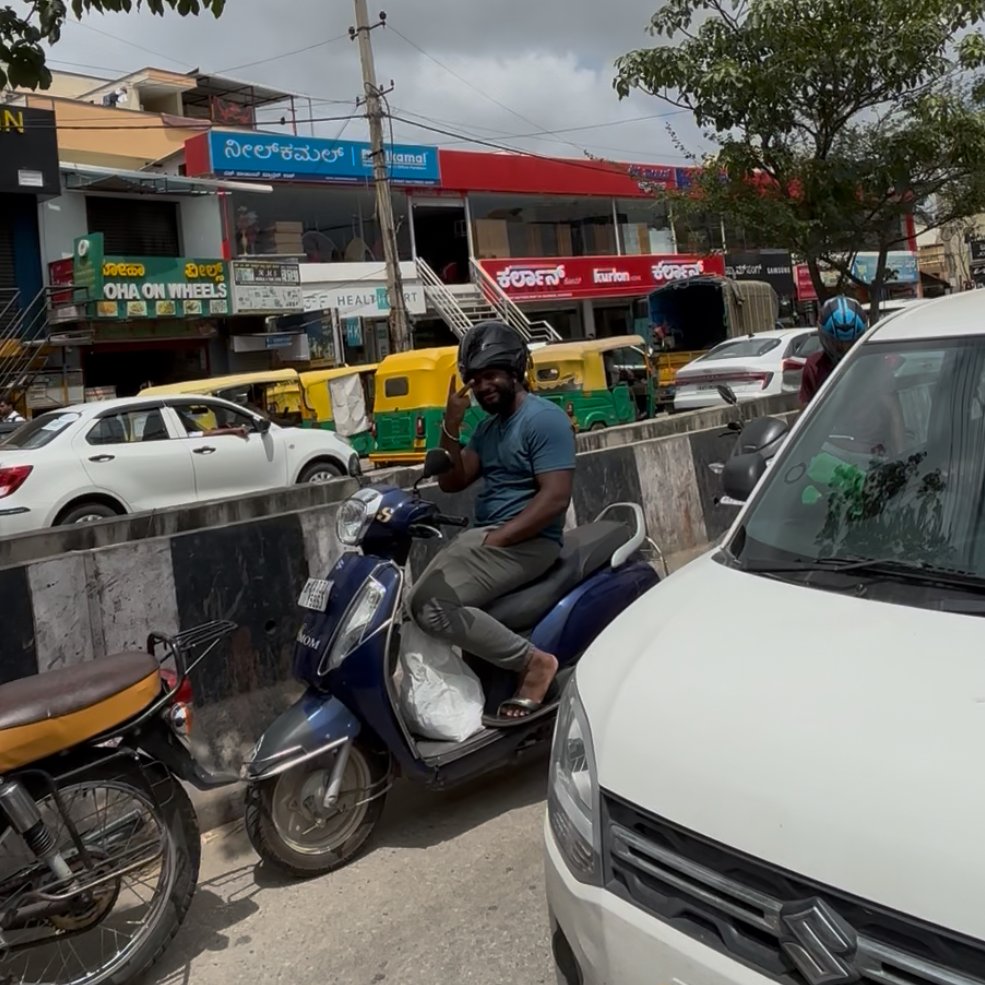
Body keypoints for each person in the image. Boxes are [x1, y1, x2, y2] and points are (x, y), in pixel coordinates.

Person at [406, 321, 576, 721]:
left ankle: (534, 664)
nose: (482, 387)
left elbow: (555, 498)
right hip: (487, 536)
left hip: (528, 542)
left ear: (515, 372)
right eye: (475, 380)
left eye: (491, 375)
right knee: (414, 601)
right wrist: (451, 424)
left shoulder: (543, 419)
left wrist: (500, 538)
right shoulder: (488, 429)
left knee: (431, 605)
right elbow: (452, 481)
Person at [799, 295, 868, 406]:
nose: (845, 351)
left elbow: (889, 405)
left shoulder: (873, 363)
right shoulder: (814, 366)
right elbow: (807, 410)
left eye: (851, 344)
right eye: (838, 345)